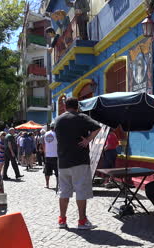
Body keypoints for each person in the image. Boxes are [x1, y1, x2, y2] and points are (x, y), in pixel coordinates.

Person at [54, 97, 101, 230]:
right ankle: (82, 221)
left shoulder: (58, 120)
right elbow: (97, 128)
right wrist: (87, 140)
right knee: (81, 191)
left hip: (63, 161)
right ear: (77, 107)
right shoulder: (82, 117)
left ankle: (62, 220)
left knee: (64, 192)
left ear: (65, 106)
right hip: (80, 160)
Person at [43, 124, 58, 189]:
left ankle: (47, 184)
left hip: (48, 155)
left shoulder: (46, 134)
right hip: (56, 155)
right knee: (57, 171)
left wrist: (45, 152)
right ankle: (58, 184)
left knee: (47, 171)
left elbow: (44, 144)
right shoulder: (57, 134)